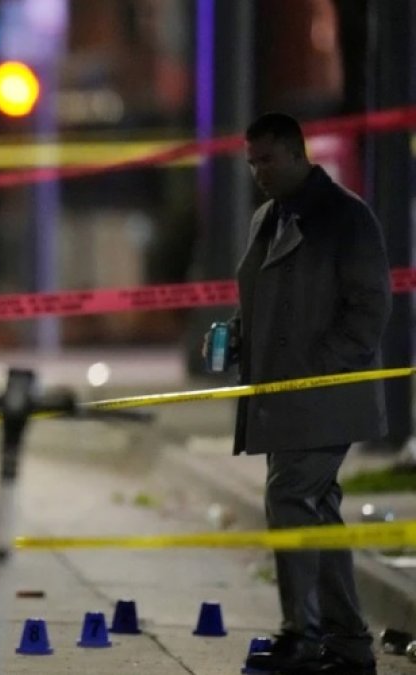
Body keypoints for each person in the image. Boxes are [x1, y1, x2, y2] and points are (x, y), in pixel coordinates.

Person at [205, 112, 388, 675]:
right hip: (281, 398)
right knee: (316, 509)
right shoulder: (267, 218)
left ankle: (303, 638)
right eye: (251, 161)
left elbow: (370, 309)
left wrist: (319, 366)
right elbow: (264, 295)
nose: (258, 171)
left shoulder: (345, 216)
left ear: (297, 153)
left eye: (267, 159)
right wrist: (238, 335)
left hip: (324, 395)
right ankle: (349, 643)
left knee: (289, 498)